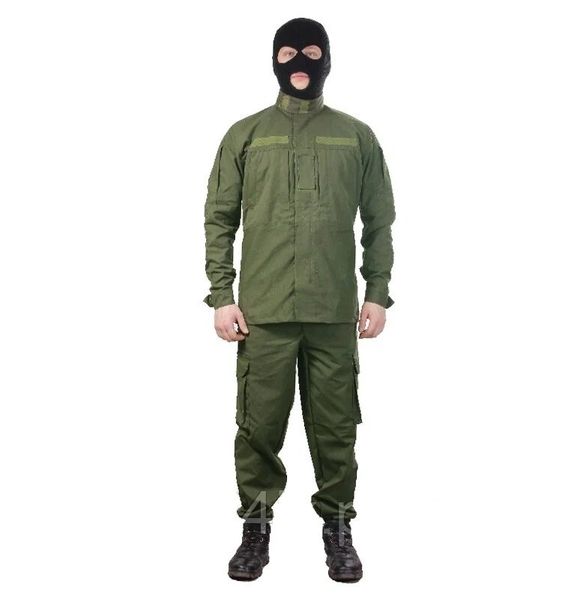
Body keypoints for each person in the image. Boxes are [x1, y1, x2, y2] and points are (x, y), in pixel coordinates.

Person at [203, 16, 396, 583]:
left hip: (334, 311)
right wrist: (222, 294)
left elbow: (379, 221)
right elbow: (219, 219)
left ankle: (338, 526)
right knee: (258, 427)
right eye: (288, 54)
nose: (300, 64)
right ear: (273, 61)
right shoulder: (245, 135)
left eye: (312, 52)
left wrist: (377, 291)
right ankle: (256, 526)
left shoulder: (356, 136)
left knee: (336, 428)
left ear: (328, 58)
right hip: (261, 312)